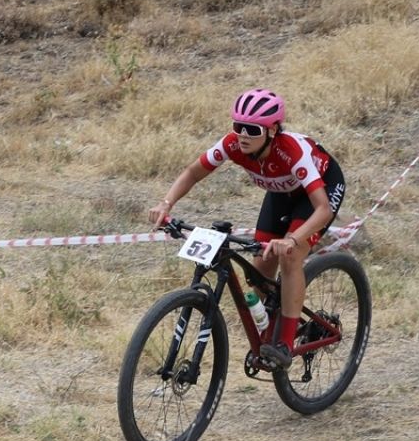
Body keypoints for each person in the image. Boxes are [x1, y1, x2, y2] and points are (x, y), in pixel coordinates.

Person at [148, 88, 345, 369]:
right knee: (261, 267)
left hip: (319, 191)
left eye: (252, 129)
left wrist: (292, 239)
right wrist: (166, 204)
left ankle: (285, 343)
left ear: (272, 131)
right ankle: (271, 322)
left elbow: (323, 209)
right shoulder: (232, 145)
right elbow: (193, 172)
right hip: (281, 192)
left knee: (290, 256)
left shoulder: (290, 151)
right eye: (237, 126)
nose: (242, 135)